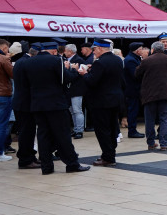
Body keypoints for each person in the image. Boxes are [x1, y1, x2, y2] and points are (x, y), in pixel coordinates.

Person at [20, 40, 89, 174]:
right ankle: (72, 164)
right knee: (63, 134)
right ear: (54, 51)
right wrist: (74, 71)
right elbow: (65, 79)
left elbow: (25, 84)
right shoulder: (55, 61)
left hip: (37, 104)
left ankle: (46, 166)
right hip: (56, 104)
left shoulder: (28, 62)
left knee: (43, 135)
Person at [83, 39, 125, 167]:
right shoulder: (117, 60)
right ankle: (110, 153)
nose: (94, 52)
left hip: (101, 101)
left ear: (100, 48)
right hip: (115, 99)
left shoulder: (100, 63)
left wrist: (84, 73)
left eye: (94, 49)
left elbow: (92, 82)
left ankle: (108, 156)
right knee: (112, 128)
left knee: (102, 130)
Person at [135, 41, 167, 151]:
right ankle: (164, 143)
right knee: (165, 119)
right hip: (166, 94)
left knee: (149, 120)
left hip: (149, 95)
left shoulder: (146, 61)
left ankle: (151, 142)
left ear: (152, 49)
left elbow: (137, 74)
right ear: (163, 49)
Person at [10, 44, 39, 170]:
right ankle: (26, 159)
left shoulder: (21, 61)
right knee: (26, 132)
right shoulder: (27, 63)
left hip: (21, 102)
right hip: (25, 103)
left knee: (28, 132)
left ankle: (30, 157)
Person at [62, 44, 88, 140]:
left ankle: (79, 130)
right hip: (69, 90)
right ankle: (76, 129)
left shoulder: (79, 60)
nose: (64, 52)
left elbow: (78, 75)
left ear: (70, 51)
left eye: (65, 51)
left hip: (77, 89)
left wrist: (71, 69)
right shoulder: (67, 60)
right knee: (72, 111)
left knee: (77, 110)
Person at [123, 43, 147, 138]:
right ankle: (132, 131)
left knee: (134, 109)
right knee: (133, 110)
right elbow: (135, 75)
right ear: (137, 51)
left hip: (135, 89)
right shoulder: (130, 60)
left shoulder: (134, 58)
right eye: (141, 49)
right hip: (133, 90)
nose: (142, 50)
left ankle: (133, 129)